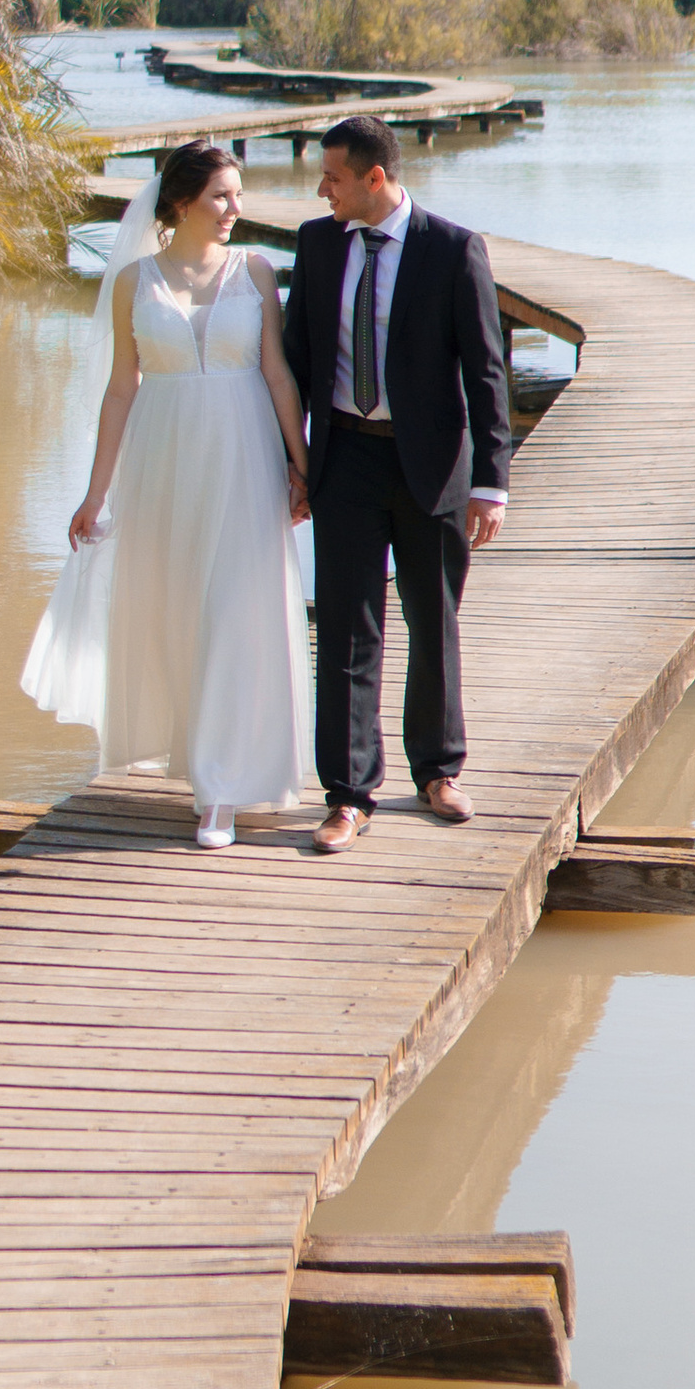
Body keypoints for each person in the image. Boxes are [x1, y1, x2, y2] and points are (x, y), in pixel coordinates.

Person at [21, 136, 313, 848]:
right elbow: (121, 389)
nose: (235, 209)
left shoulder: (255, 270)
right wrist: (95, 495)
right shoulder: (133, 281)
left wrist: (303, 469)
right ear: (180, 202)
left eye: (237, 195)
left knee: (236, 613)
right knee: (182, 614)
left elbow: (277, 374)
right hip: (164, 464)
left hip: (244, 457)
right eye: (221, 196)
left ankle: (221, 790)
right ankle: (198, 763)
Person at [278, 111, 509, 853]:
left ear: (374, 178)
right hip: (344, 460)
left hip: (432, 468)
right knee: (346, 629)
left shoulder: (453, 249)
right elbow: (295, 362)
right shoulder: (317, 245)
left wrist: (491, 483)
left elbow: (486, 372)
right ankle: (348, 795)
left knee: (433, 620)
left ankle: (438, 772)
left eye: (333, 178)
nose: (322, 191)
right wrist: (290, 464)